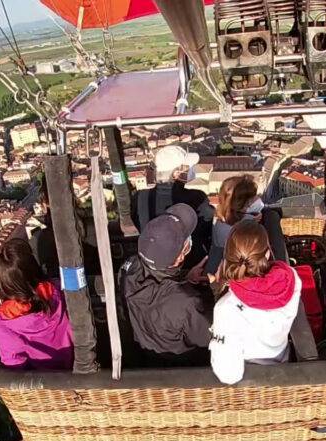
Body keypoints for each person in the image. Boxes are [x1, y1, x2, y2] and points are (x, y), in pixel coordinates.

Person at [210, 220, 301, 384]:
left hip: (252, 386)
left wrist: (220, 288)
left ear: (228, 256)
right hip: (284, 365)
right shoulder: (291, 279)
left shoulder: (227, 308)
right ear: (267, 254)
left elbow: (229, 374)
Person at [121, 204, 213, 366]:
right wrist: (216, 289)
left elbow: (157, 295)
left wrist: (185, 279)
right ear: (179, 258)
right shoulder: (186, 302)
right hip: (181, 364)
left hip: (144, 351)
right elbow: (208, 338)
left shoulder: (128, 268)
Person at [0, 238, 73, 370]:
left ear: (2, 283)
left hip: (46, 386)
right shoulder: (61, 290)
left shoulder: (4, 326)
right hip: (78, 366)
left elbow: (14, 367)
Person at [132, 145, 214, 268]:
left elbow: (137, 221)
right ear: (176, 173)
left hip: (151, 261)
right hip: (189, 264)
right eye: (187, 167)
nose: (191, 170)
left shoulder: (140, 197)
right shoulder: (196, 198)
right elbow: (206, 229)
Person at [206, 175, 264, 276]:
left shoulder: (221, 219)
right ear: (242, 203)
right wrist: (252, 222)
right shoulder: (241, 228)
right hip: (229, 274)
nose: (257, 199)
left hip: (216, 269)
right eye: (252, 198)